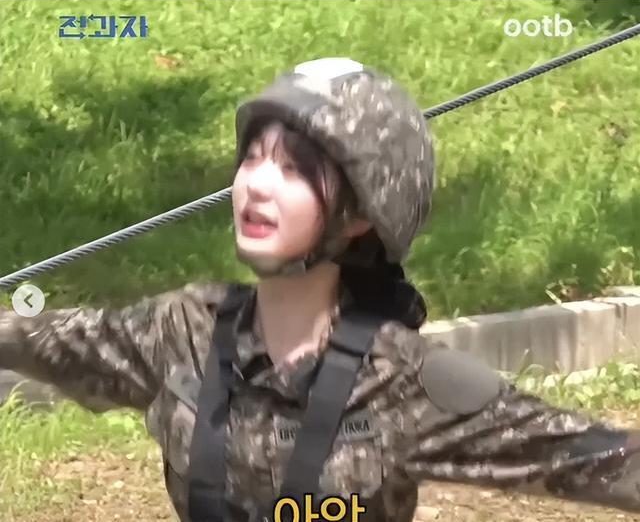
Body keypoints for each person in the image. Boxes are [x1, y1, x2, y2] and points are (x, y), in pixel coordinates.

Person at [1, 57, 640, 522]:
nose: (257, 184)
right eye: (253, 159)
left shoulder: (405, 382)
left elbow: (603, 460)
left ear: (360, 215)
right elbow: (34, 337)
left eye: (294, 170)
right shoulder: (182, 330)